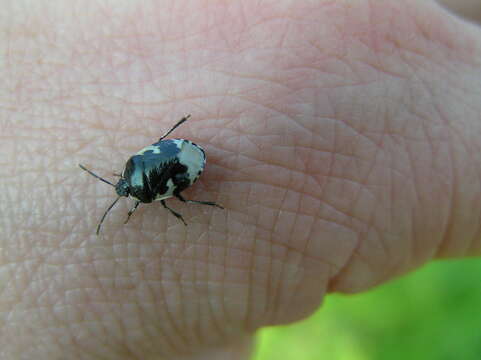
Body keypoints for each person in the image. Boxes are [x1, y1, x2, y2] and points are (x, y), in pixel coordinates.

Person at [1, 0, 480, 359]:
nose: (123, 193)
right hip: (181, 155)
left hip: (188, 162)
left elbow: (164, 185)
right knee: (180, 195)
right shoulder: (135, 171)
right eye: (123, 195)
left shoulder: (143, 190)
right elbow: (157, 153)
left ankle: (206, 202)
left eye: (122, 193)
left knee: (182, 206)